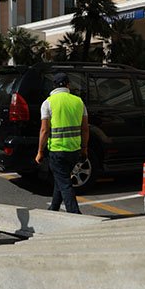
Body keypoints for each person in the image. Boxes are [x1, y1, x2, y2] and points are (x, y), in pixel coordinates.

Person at [35, 73, 89, 214]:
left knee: (64, 182)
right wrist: (84, 149)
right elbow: (85, 129)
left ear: (53, 86)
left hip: (57, 151)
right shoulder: (79, 102)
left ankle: (75, 213)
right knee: (62, 178)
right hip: (74, 150)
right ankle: (54, 207)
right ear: (68, 85)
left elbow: (44, 130)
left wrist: (40, 151)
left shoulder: (48, 103)